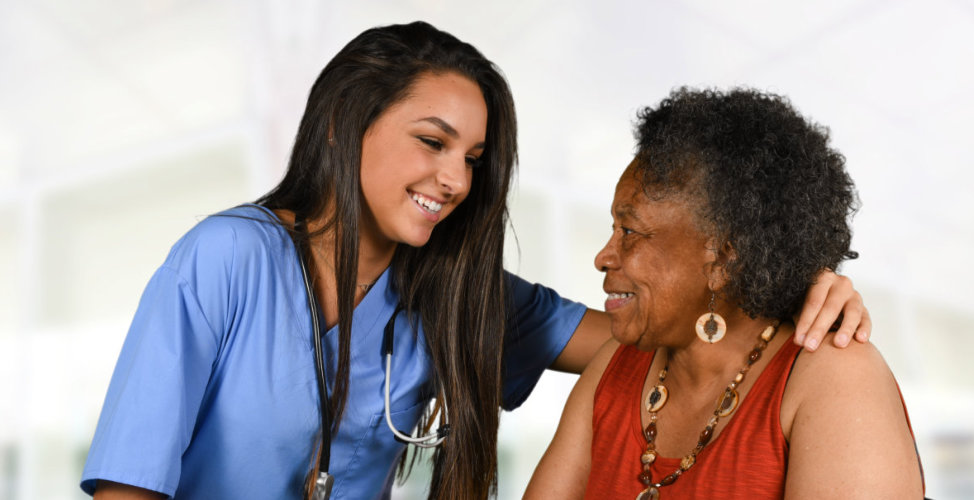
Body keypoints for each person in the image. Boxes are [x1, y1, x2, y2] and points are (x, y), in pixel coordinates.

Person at [82, 24, 875, 500]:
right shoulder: (225, 260)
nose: (456, 180)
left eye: (475, 156)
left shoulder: (458, 293)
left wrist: (794, 283)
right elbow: (128, 484)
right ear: (341, 127)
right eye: (432, 142)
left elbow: (677, 337)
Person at [522, 87, 924, 500]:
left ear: (723, 260)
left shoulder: (837, 376)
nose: (603, 257)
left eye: (629, 231)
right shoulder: (614, 365)